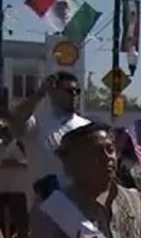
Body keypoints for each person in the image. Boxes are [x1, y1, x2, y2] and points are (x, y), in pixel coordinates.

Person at [30, 122, 141, 238]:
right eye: (95, 152)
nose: (107, 157)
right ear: (73, 163)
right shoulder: (55, 210)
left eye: (110, 149)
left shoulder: (136, 202)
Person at [8, 72, 90, 202]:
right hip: (44, 203)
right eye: (69, 91)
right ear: (54, 93)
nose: (74, 95)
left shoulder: (87, 126)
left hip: (79, 203)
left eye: (77, 91)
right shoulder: (37, 123)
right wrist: (40, 93)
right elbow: (16, 117)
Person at [0, 125, 31, 238]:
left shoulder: (20, 146)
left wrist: (14, 162)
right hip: (0, 190)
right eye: (2, 131)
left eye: (7, 131)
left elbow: (30, 162)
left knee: (20, 222)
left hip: (18, 189)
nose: (5, 134)